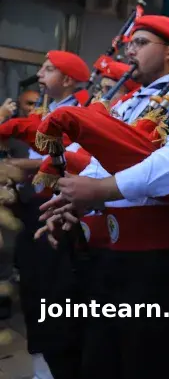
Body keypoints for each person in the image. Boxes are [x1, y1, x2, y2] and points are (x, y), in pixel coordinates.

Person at [39, 16, 169, 379]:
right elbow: (101, 160)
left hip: (158, 257)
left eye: (141, 43)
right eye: (130, 43)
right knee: (100, 358)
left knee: (143, 360)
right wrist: (76, 197)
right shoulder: (130, 101)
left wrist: (101, 190)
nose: (130, 50)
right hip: (113, 253)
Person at [6, 51, 89, 379]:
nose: (40, 73)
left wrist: (19, 166)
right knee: (32, 289)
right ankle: (43, 362)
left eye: (48, 69)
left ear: (68, 80)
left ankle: (56, 366)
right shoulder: (48, 110)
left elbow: (69, 156)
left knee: (52, 294)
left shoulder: (78, 113)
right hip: (35, 208)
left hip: (58, 211)